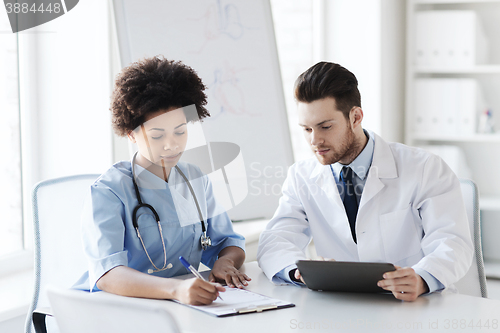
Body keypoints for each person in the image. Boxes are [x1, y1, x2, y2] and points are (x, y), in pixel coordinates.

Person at [257, 62, 472, 302]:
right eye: (306, 129)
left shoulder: (424, 168)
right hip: (341, 306)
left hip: (414, 306)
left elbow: (453, 243)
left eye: (325, 126)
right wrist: (297, 272)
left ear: (355, 117)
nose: (315, 140)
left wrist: (422, 278)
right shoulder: (301, 176)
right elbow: (274, 241)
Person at [73, 56, 250, 305]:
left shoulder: (195, 180)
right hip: (117, 306)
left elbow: (228, 241)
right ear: (130, 133)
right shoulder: (109, 191)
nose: (172, 144)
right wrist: (174, 290)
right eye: (157, 135)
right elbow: (107, 274)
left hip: (179, 304)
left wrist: (225, 261)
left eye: (180, 131)